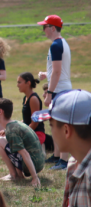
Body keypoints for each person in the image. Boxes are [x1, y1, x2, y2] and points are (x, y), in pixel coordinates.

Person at [38, 15, 71, 170]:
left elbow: (57, 72)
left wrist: (49, 93)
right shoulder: (61, 43)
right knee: (55, 125)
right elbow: (57, 70)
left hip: (60, 91)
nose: (43, 30)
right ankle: (57, 157)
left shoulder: (56, 46)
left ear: (52, 28)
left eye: (44, 27)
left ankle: (64, 161)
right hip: (61, 87)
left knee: (60, 126)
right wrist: (47, 74)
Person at [0, 98, 44, 187]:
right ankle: (15, 174)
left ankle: (14, 175)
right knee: (1, 140)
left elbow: (25, 153)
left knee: (0, 141)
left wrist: (35, 178)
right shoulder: (13, 124)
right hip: (38, 162)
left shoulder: (11, 129)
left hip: (33, 164)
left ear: (0, 111)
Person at [17, 72, 45, 145]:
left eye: (19, 82)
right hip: (29, 131)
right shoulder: (26, 98)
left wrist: (23, 134)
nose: (17, 85)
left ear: (28, 83)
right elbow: (26, 120)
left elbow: (35, 122)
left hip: (37, 134)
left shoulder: (33, 99)